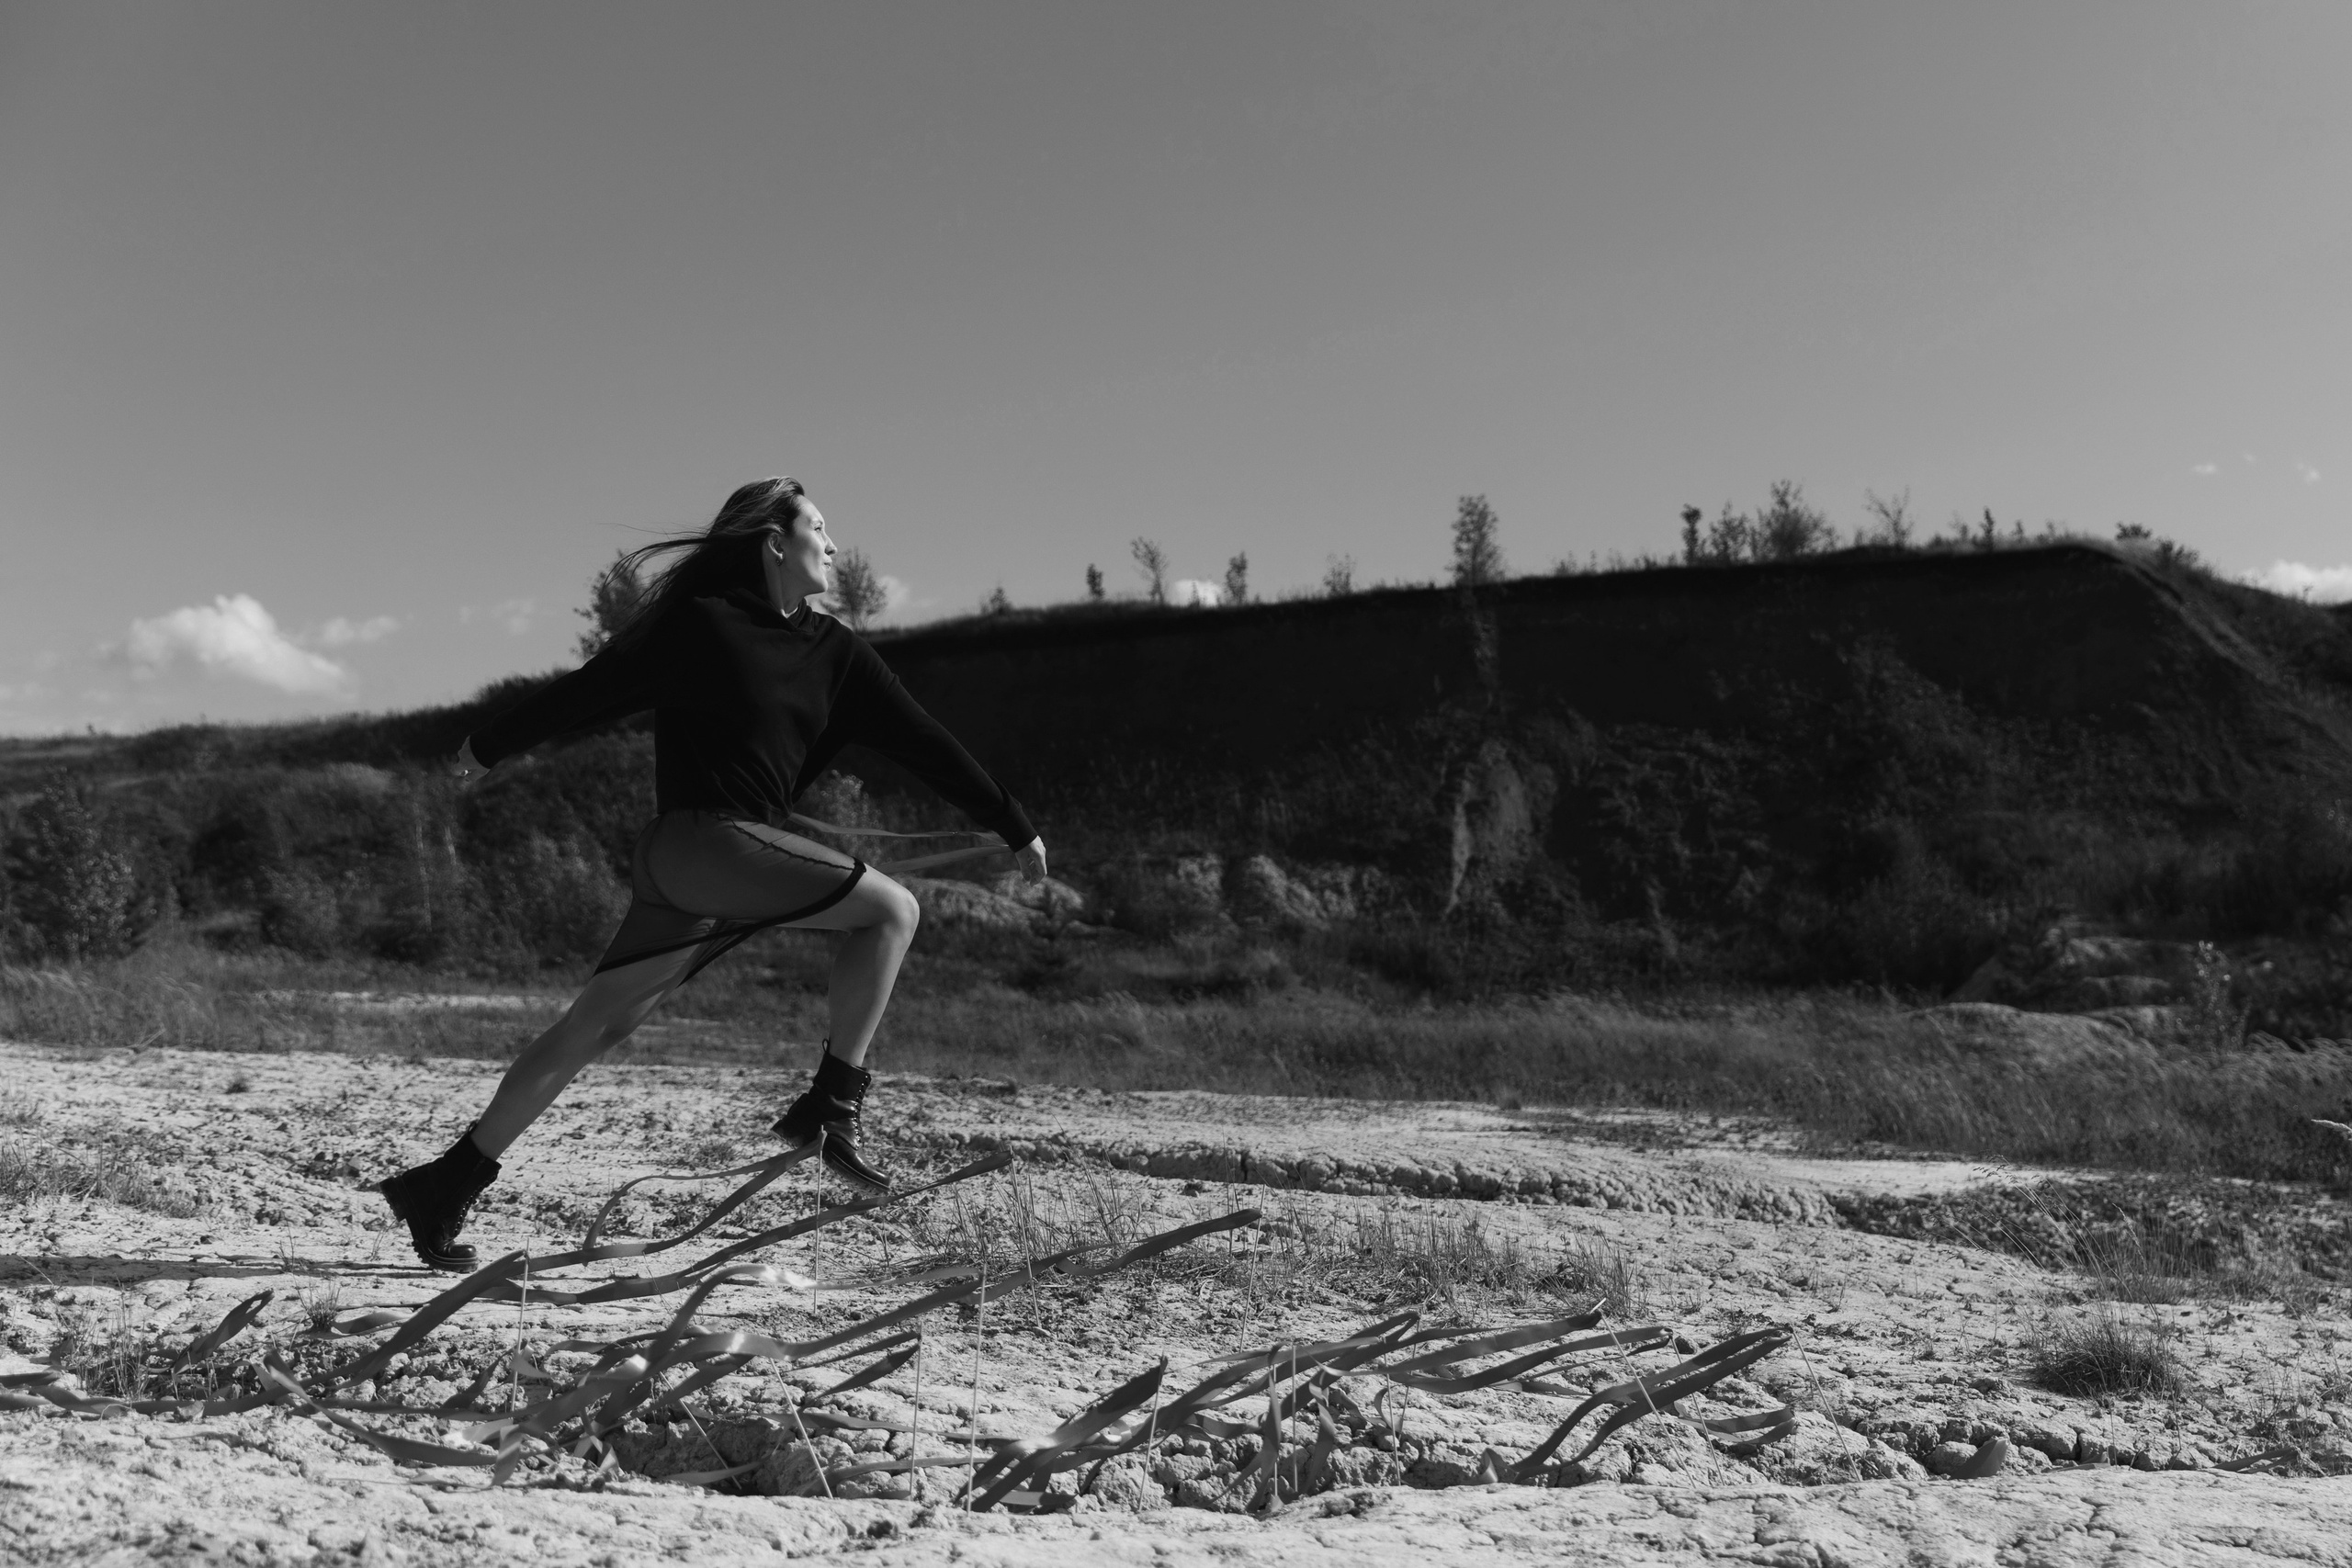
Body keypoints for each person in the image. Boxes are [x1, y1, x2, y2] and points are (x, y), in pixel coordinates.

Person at [377, 477, 1046, 1272]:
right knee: (891, 910)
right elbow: (591, 689)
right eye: (819, 529)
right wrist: (489, 744)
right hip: (699, 843)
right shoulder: (702, 625)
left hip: (714, 862)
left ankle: (443, 1184)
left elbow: (924, 740)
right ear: (774, 540)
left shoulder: (838, 654)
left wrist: (1012, 820)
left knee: (594, 1025)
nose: (832, 545)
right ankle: (832, 1103)